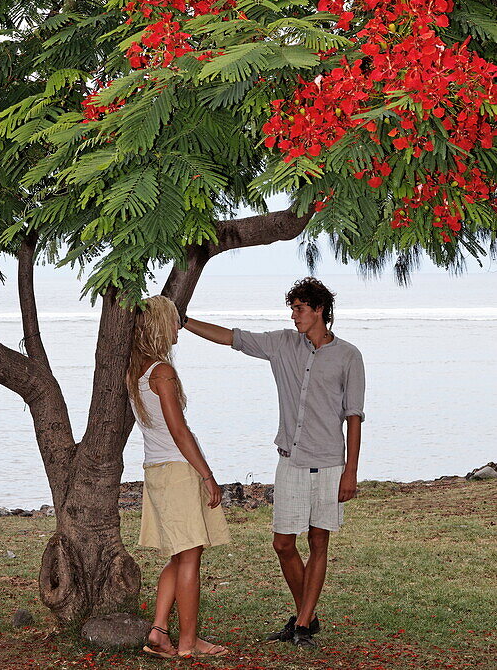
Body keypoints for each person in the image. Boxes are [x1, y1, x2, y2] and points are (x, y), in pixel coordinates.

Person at [182, 276, 365, 649]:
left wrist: (351, 472)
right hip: (291, 461)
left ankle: (300, 624)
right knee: (283, 543)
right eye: (292, 309)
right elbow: (232, 337)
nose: (294, 315)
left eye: (299, 309)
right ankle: (307, 617)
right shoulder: (282, 344)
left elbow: (354, 417)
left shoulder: (349, 355)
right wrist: (182, 321)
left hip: (330, 463)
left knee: (318, 541)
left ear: (319, 311)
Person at [127, 294, 231, 659]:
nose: (178, 329)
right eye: (173, 322)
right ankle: (188, 644)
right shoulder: (162, 372)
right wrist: (207, 475)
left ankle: (159, 632)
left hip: (156, 470)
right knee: (190, 558)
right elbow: (179, 431)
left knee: (179, 554)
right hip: (176, 470)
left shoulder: (136, 369)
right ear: (159, 326)